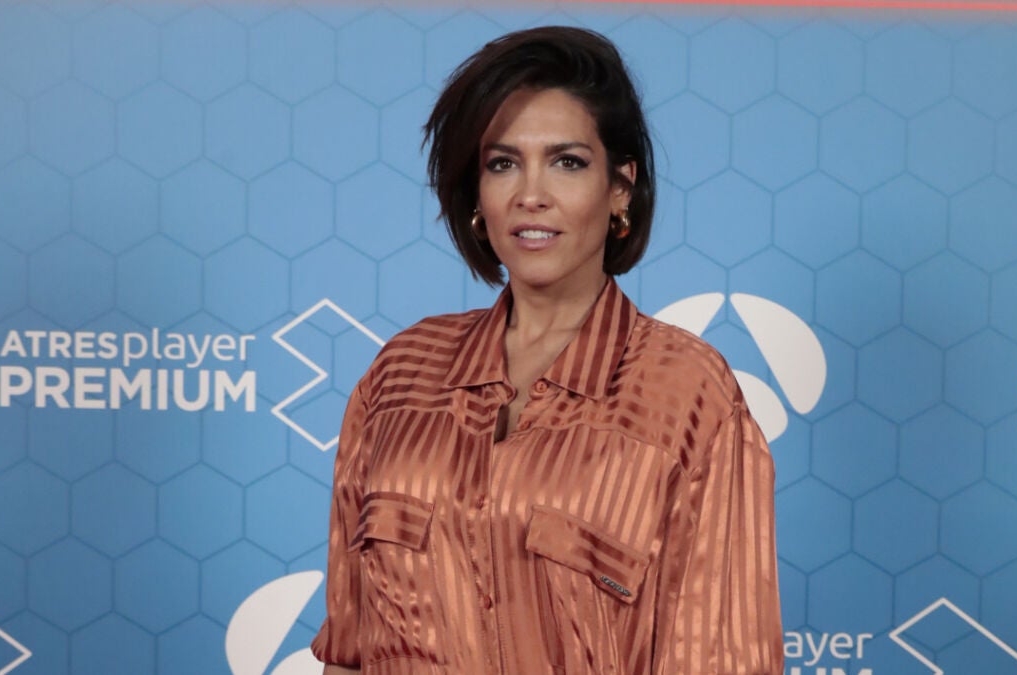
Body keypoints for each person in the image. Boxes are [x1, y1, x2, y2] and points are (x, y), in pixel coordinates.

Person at [312, 26, 783, 675]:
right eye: (503, 163)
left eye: (567, 162)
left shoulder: (687, 392)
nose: (530, 194)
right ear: (476, 193)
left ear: (620, 187)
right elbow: (349, 651)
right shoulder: (400, 373)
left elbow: (723, 660)